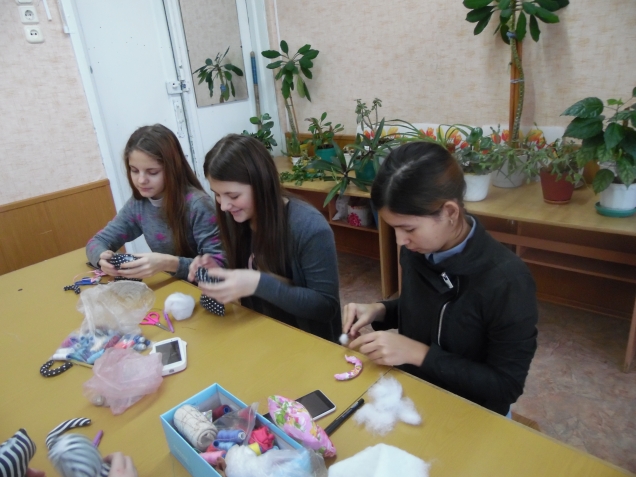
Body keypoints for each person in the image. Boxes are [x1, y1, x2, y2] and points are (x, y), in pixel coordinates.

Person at [343, 141, 538, 415]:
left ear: (450, 212)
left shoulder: (507, 281)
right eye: (393, 228)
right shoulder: (419, 249)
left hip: (473, 411)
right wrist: (380, 310)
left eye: (408, 228)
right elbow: (426, 308)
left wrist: (418, 354)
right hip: (415, 394)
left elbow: (506, 386)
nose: (400, 240)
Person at [188, 134, 341, 342]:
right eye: (217, 194)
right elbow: (247, 274)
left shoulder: (309, 228)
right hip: (261, 333)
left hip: (308, 342)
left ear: (262, 184)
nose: (223, 206)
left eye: (233, 196)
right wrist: (220, 271)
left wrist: (258, 282)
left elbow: (325, 307)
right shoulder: (236, 219)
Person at [86, 124, 224, 280]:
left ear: (173, 169)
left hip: (204, 290)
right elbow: (97, 241)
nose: (141, 180)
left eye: (152, 172)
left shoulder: (198, 205)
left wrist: (168, 263)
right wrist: (101, 258)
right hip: (171, 286)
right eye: (134, 170)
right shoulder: (138, 204)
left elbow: (218, 270)